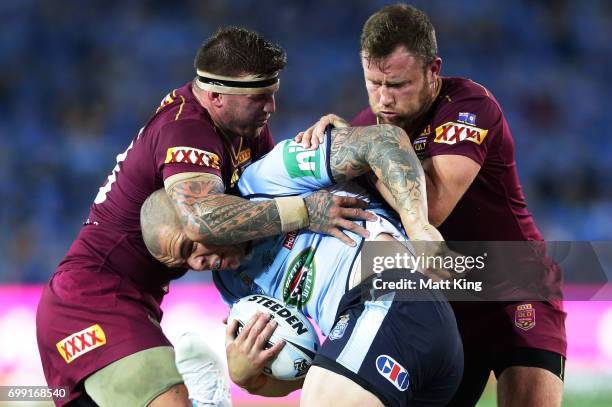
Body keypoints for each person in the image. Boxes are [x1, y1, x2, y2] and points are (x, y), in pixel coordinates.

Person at [36, 26, 376, 407]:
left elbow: (276, 183)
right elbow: (204, 218)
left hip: (133, 302)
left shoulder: (243, 131)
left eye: (272, 95)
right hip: (92, 297)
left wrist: (335, 140)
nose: (271, 107)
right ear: (215, 95)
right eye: (259, 98)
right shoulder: (186, 128)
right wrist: (305, 212)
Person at [295, 4, 567, 406]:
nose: (384, 99)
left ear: (433, 70)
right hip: (445, 301)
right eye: (374, 83)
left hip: (513, 287)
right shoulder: (367, 128)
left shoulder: (470, 107)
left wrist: (363, 152)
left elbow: (431, 207)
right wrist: (331, 149)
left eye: (399, 85)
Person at [141, 124, 463, 407]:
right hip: (385, 343)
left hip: (393, 296)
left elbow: (383, 139)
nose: (197, 263)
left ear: (205, 212)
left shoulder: (267, 178)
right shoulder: (231, 283)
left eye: (188, 245)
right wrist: (250, 380)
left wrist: (418, 223)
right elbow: (305, 369)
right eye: (184, 262)